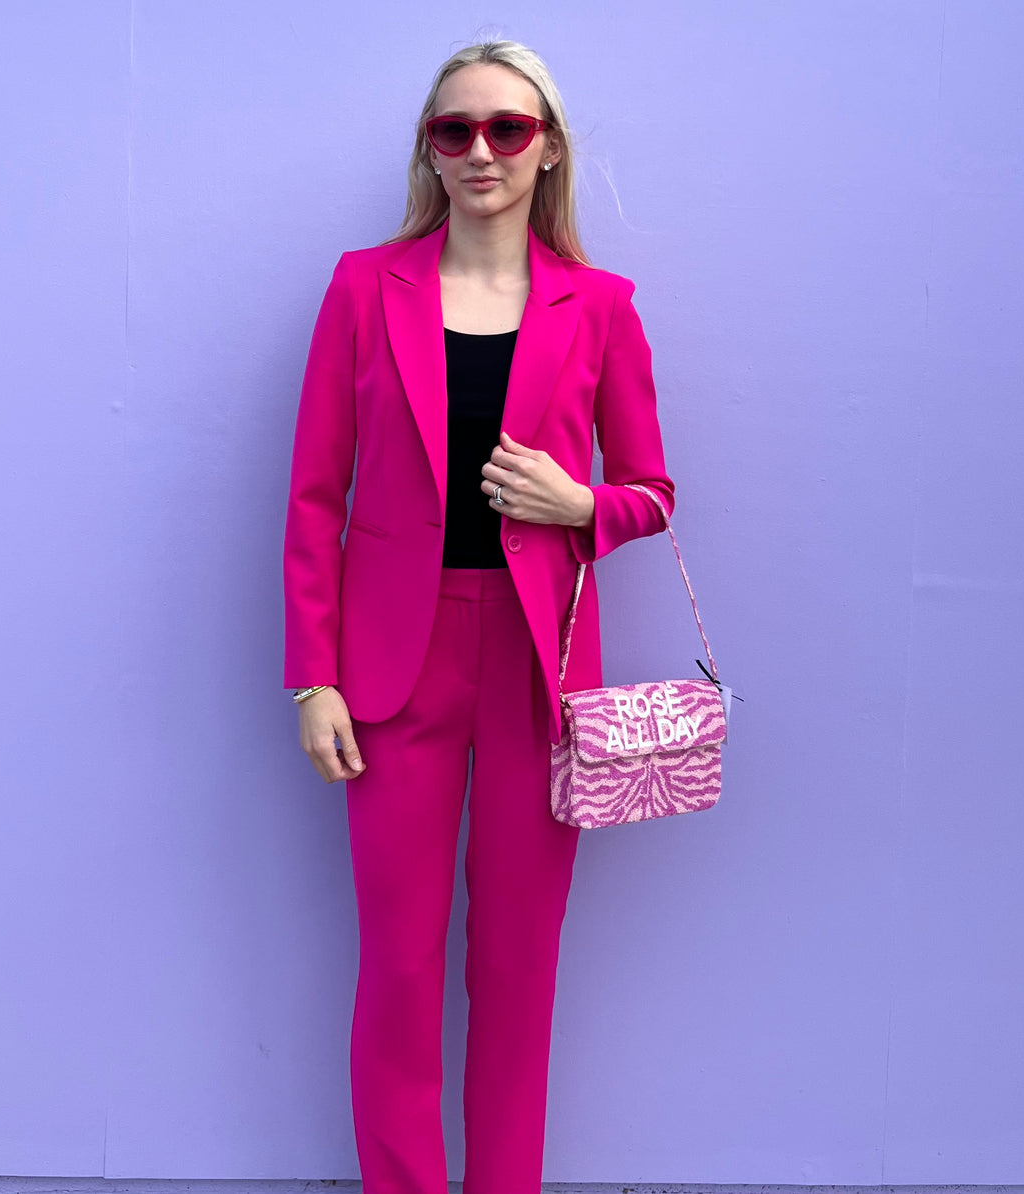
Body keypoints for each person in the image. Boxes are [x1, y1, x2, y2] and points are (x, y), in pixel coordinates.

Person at [282, 38, 676, 1194]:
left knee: (518, 973)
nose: (480, 151)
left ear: (546, 145)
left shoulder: (600, 309)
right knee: (397, 973)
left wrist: (577, 503)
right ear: (428, 149)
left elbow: (653, 493)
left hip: (534, 668)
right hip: (389, 669)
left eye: (506, 128)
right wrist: (315, 678)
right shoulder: (366, 286)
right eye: (453, 130)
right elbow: (314, 496)